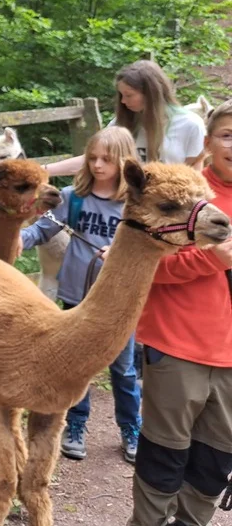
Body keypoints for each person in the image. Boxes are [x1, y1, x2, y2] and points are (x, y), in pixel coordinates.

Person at [127, 99, 232, 526]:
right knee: (164, 456)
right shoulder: (180, 194)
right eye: (228, 134)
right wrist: (211, 259)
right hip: (178, 346)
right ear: (207, 142)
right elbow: (144, 265)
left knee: (213, 461)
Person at [19, 126, 141, 464]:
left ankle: (132, 428)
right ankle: (76, 426)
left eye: (107, 159)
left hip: (119, 302)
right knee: (77, 366)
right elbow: (45, 228)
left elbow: (143, 244)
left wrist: (117, 251)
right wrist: (19, 239)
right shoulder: (73, 197)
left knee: (124, 368)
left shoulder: (135, 203)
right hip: (79, 294)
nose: (99, 165)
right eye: (93, 158)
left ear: (124, 162)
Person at [45, 59, 205, 177]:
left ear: (151, 93)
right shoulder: (121, 124)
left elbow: (195, 177)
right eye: (121, 95)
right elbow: (93, 160)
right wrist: (44, 171)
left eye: (129, 95)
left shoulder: (190, 125)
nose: (122, 101)